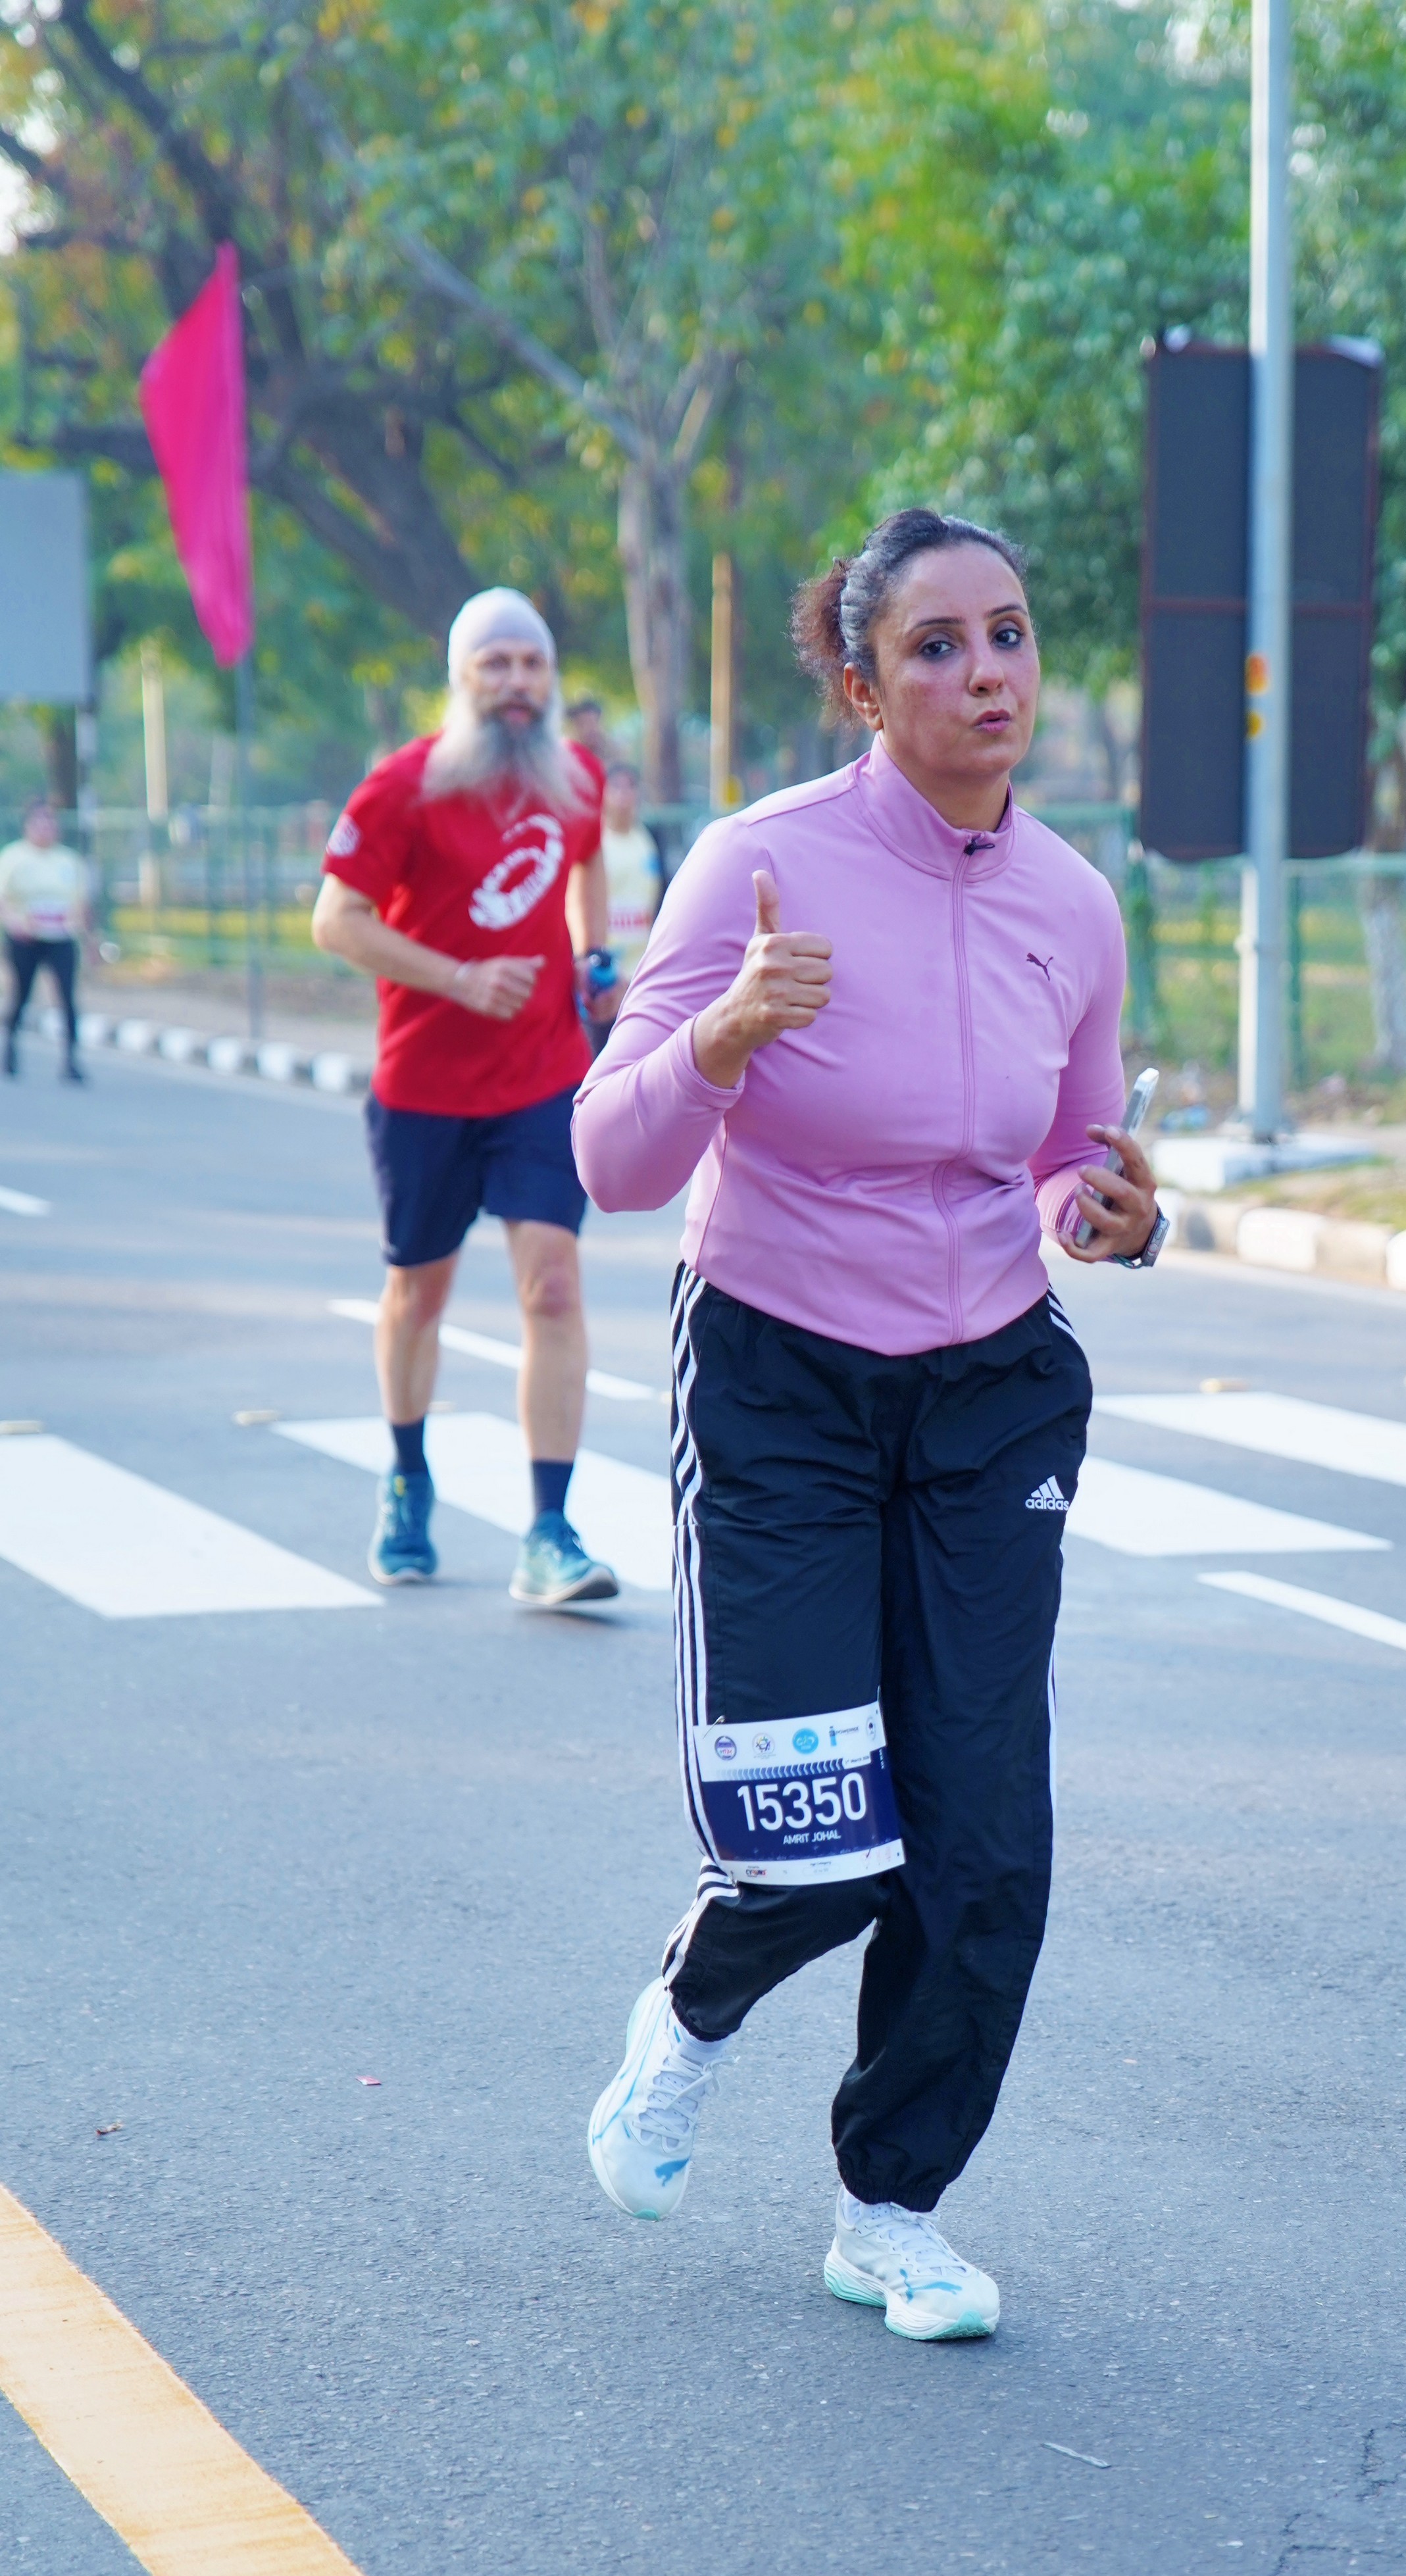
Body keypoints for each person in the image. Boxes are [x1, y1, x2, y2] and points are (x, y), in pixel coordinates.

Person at [570, 508, 1167, 2341]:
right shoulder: (759, 868)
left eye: (1011, 633)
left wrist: (1110, 1209)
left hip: (990, 1386)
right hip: (783, 1375)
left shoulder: (1073, 902)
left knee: (984, 1846)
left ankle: (891, 2207)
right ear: (859, 683)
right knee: (817, 1835)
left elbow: (1066, 1150)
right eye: (936, 646)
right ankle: (691, 2013)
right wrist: (723, 1038)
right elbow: (611, 1158)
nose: (988, 674)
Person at [313, 588, 622, 1606]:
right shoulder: (402, 788)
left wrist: (596, 959)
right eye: (496, 664)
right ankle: (407, 1476)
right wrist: (458, 978)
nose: (517, 683)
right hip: (425, 1086)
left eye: (532, 664)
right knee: (419, 1293)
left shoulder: (575, 777)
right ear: (462, 680)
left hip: (542, 1075)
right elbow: (336, 920)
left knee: (554, 1287)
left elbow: (585, 864)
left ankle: (549, 1531)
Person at [0, 799, 91, 1083]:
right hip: (25, 938)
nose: (45, 829)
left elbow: (81, 902)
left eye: (50, 823)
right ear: (28, 827)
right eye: (39, 823)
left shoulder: (68, 861)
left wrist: (88, 937)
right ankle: (11, 1048)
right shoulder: (13, 858)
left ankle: (71, 1059)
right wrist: (15, 923)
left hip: (61, 936)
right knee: (21, 994)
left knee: (67, 996)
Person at [587, 760, 665, 1051]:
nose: (623, 795)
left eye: (630, 787)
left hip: (641, 975)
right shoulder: (594, 842)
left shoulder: (649, 841)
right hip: (603, 976)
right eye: (616, 787)